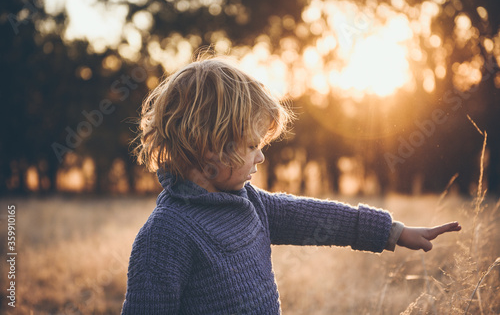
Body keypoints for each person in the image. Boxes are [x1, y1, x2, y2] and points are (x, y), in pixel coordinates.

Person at [121, 57, 461, 314]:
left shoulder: (249, 203)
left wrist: (394, 231)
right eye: (252, 146)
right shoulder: (166, 235)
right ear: (211, 145)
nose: (261, 158)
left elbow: (317, 219)